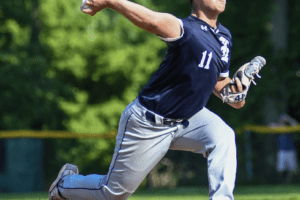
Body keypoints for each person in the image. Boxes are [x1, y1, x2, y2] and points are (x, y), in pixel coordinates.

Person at [49, 0, 249, 199]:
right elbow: (151, 20)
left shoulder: (224, 37)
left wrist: (236, 94)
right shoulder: (185, 28)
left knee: (223, 136)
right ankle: (63, 185)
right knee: (112, 193)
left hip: (189, 118)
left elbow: (220, 84)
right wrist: (110, 2)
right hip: (149, 121)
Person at [271, 114, 299, 184]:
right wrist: (279, 125)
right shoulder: (278, 128)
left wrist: (288, 119)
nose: (283, 121)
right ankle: (281, 183)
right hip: (282, 151)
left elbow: (296, 125)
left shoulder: (289, 127)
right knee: (280, 169)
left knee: (293, 169)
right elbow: (271, 126)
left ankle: (289, 182)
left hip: (290, 150)